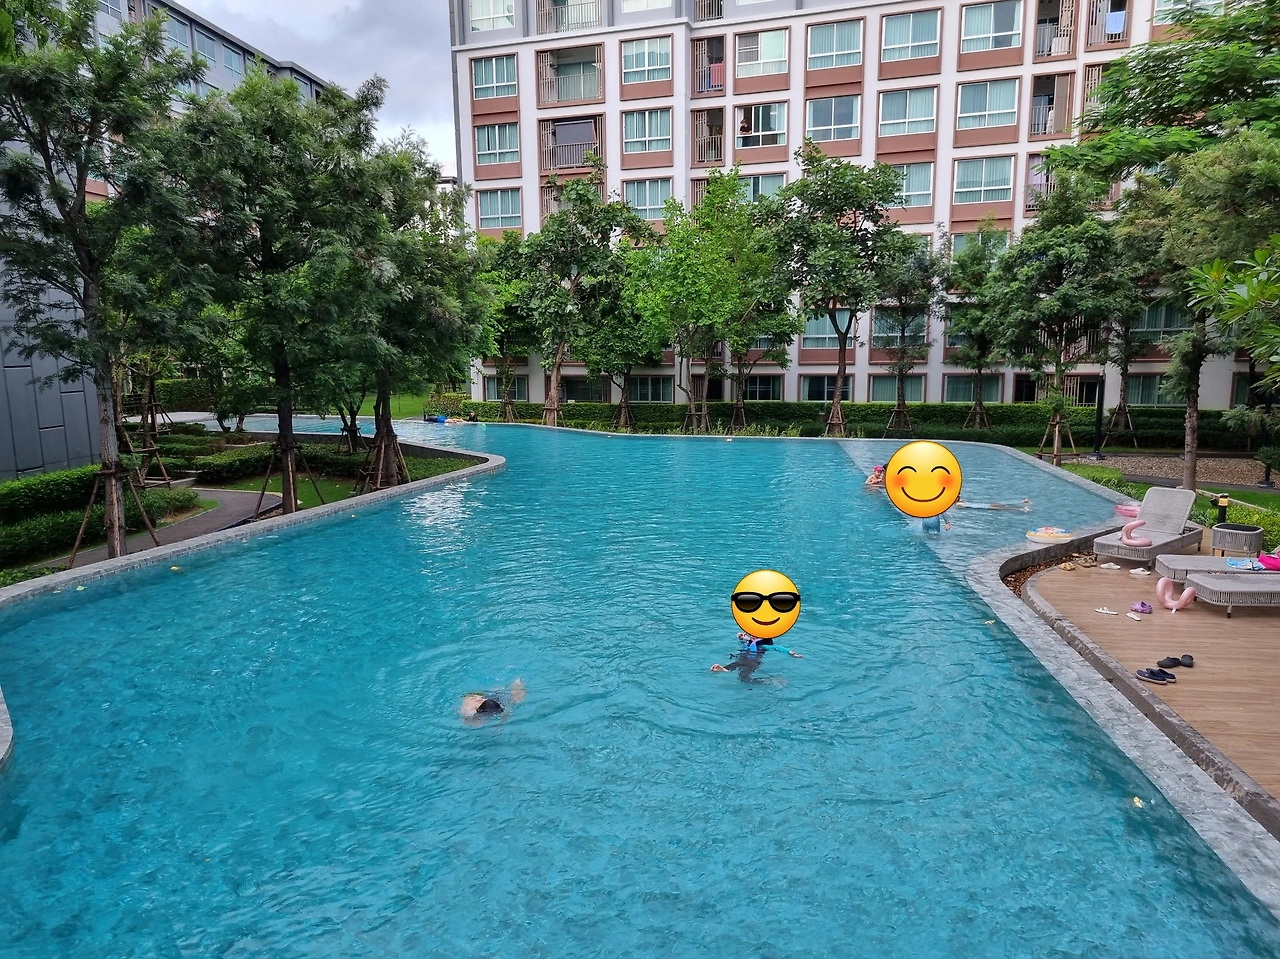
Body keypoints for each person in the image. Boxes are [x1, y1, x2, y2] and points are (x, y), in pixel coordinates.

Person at [711, 632, 802, 683]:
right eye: (752, 634)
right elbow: (742, 639)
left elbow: (776, 647)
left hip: (752, 662)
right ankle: (724, 669)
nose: (752, 636)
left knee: (744, 678)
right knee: (735, 667)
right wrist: (740, 637)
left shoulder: (762, 646)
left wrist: (789, 652)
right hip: (741, 660)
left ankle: (769, 681)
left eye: (756, 636)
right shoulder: (747, 642)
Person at [461, 678, 526, 725]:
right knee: (515, 700)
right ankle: (517, 682)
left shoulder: (470, 707)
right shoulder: (471, 705)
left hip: (495, 699)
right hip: (495, 698)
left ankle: (517, 683)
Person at [955, 498, 1031, 511]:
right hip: (984, 505)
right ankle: (1023, 502)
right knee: (1002, 505)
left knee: (1003, 508)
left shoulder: (959, 504)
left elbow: (962, 508)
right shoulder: (962, 502)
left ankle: (1021, 508)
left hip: (984, 507)